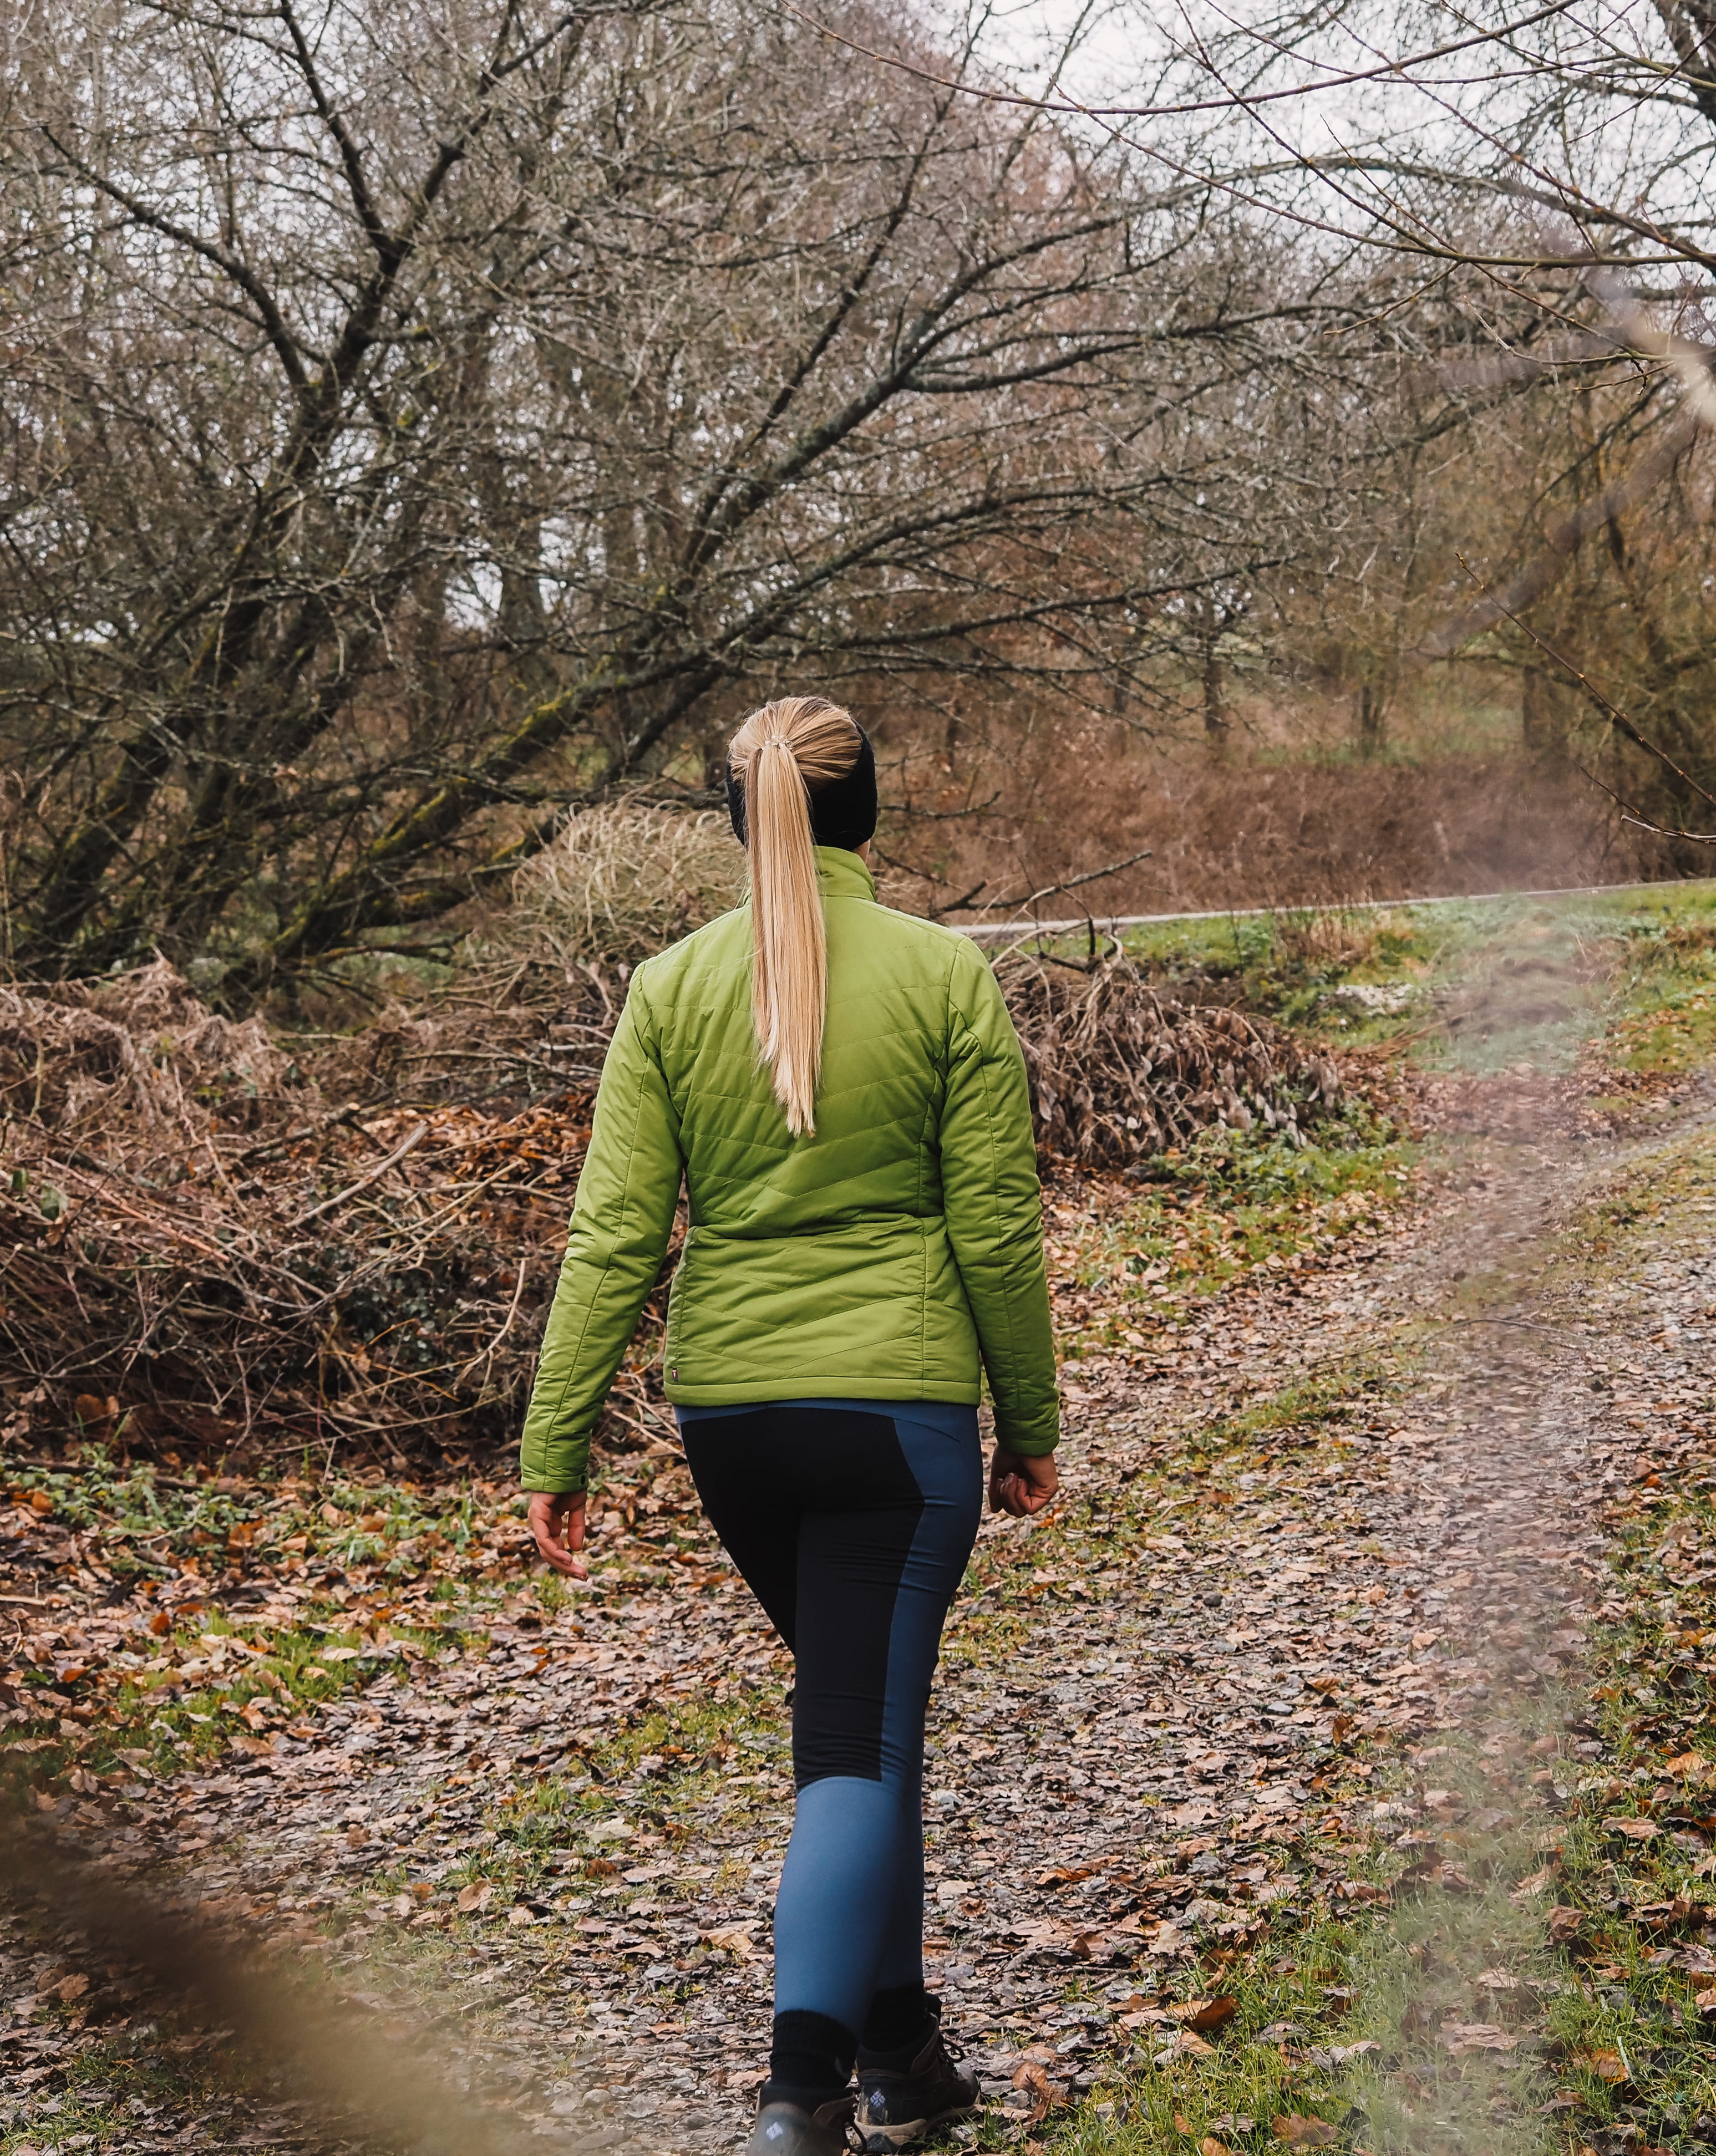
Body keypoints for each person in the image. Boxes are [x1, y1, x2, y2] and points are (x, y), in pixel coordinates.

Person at [518, 695, 1062, 2156]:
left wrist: (553, 1444)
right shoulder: (946, 975)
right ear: (864, 810)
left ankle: (904, 2057)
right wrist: (1030, 1416)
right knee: (858, 1752)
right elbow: (996, 1230)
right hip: (896, 1423)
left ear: (731, 814)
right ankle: (801, 2091)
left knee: (859, 1732)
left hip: (737, 1434)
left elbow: (614, 1235)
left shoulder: (668, 988)